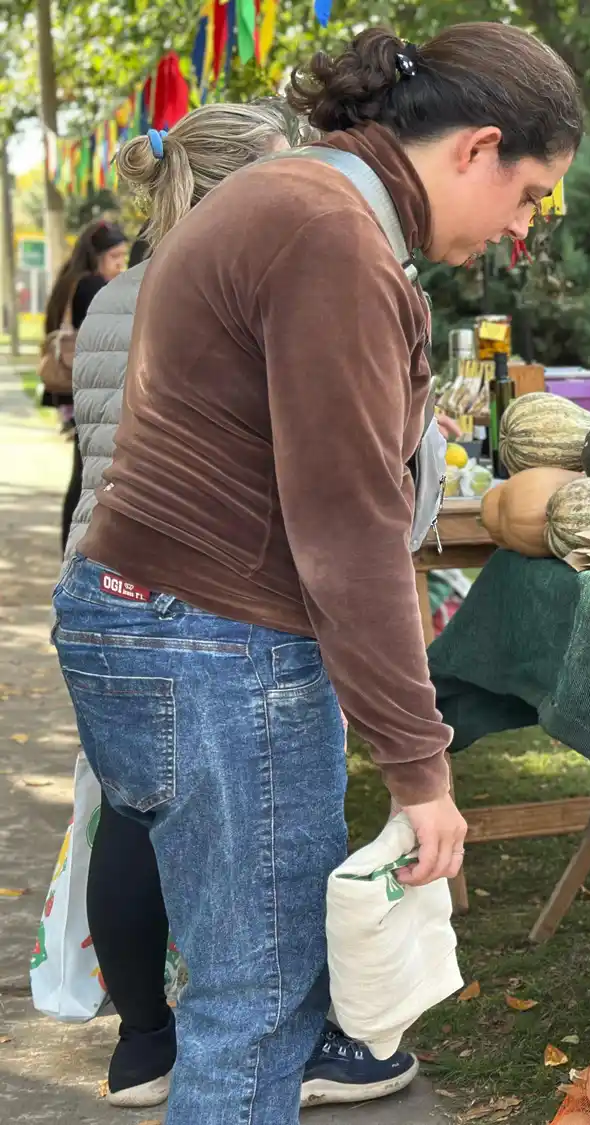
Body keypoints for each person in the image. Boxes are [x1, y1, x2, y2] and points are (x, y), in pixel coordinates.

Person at [54, 23, 582, 1125]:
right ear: (477, 149)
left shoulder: (297, 195)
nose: (519, 232)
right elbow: (346, 533)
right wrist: (421, 769)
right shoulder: (332, 236)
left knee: (233, 1004)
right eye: (530, 196)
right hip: (215, 644)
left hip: (147, 616)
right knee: (254, 1018)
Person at [63, 98, 424, 1111]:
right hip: (215, 601)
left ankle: (142, 1041)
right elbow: (327, 489)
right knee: (254, 988)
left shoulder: (123, 291)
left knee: (135, 824)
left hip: (111, 587)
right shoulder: (279, 281)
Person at [41, 218, 129, 554]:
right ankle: (75, 553)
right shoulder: (92, 286)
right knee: (86, 480)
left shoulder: (69, 282)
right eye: (115, 258)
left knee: (81, 475)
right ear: (97, 257)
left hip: (71, 394)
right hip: (91, 393)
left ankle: (72, 550)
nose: (120, 266)